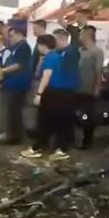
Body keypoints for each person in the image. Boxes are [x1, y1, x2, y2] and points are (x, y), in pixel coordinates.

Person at [22, 32, 78, 161]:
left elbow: (46, 76)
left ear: (42, 45)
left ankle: (51, 148)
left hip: (55, 92)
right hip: (60, 92)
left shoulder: (51, 58)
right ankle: (42, 146)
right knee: (49, 120)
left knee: (48, 119)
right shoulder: (56, 56)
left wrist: (39, 93)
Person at [0, 26, 34, 145]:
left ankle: (15, 136)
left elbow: (19, 64)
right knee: (12, 111)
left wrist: (2, 71)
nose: (10, 38)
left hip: (18, 84)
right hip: (11, 84)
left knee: (15, 112)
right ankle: (13, 134)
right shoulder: (15, 47)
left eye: (12, 35)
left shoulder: (24, 47)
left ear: (19, 34)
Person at [75, 25, 105, 150]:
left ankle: (87, 140)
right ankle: (76, 138)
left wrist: (97, 89)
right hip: (76, 88)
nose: (80, 36)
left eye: (82, 33)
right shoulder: (79, 51)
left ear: (88, 35)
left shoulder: (97, 52)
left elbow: (98, 72)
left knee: (88, 116)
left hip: (89, 89)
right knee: (77, 114)